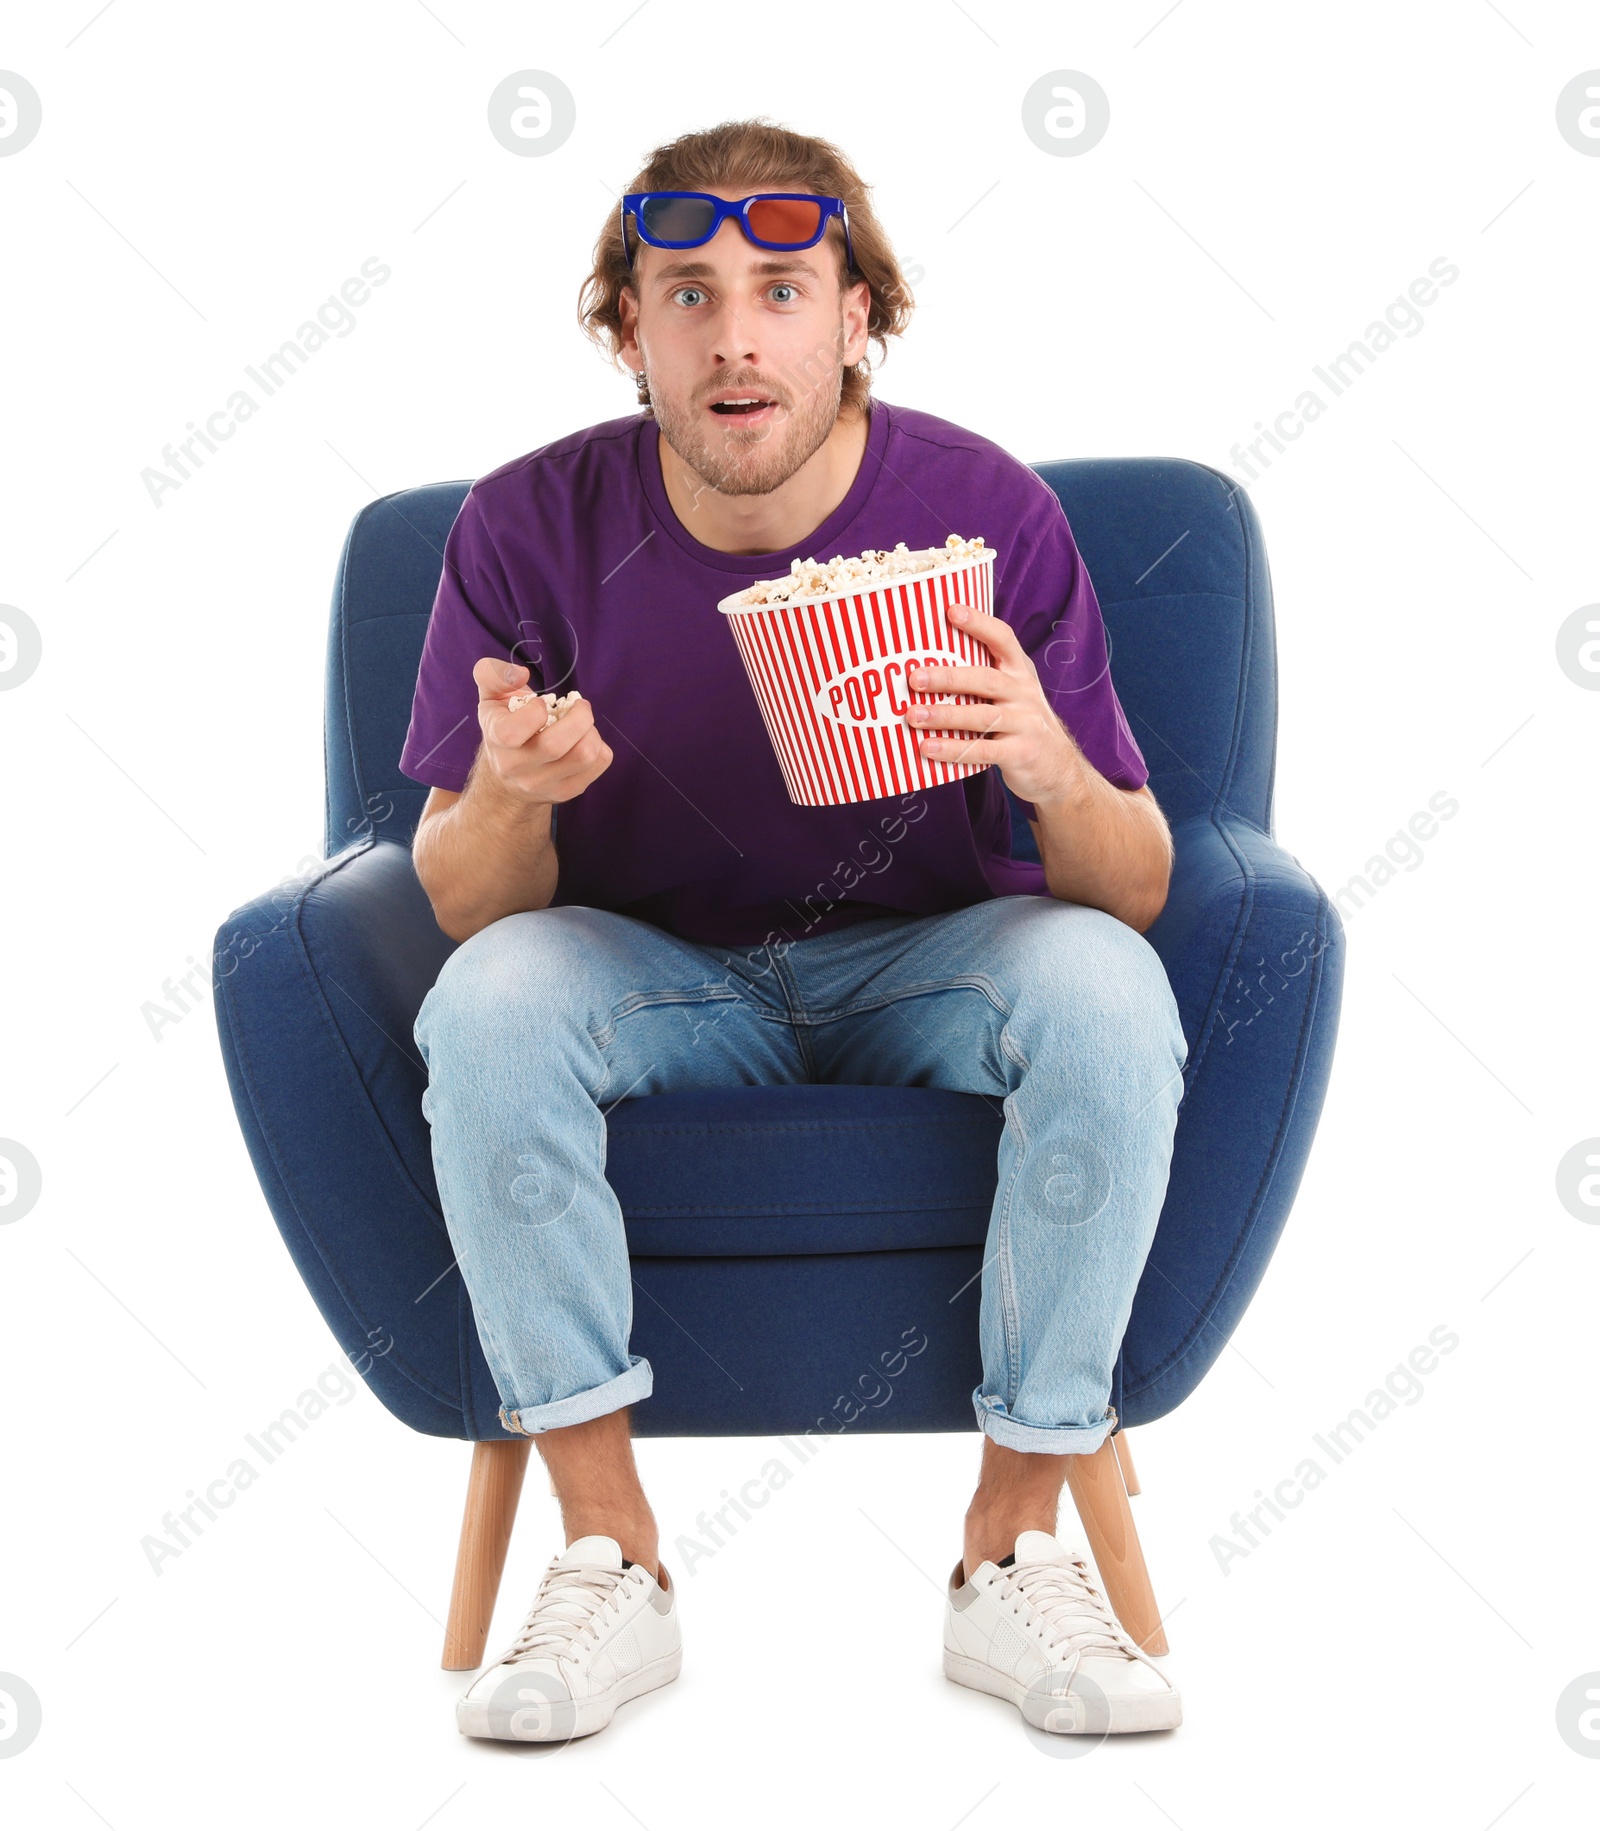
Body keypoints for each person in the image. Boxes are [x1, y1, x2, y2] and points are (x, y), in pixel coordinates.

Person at [401, 117, 1189, 1746]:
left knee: (1108, 990)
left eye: (782, 287)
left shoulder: (990, 516)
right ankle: (610, 1557)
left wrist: (1051, 767)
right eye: (686, 294)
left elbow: (1141, 887)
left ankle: (1013, 1548)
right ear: (631, 329)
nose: (737, 338)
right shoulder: (524, 530)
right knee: (488, 1002)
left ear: (857, 318)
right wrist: (510, 793)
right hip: (654, 976)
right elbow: (464, 909)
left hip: (939, 959)